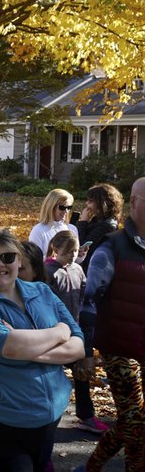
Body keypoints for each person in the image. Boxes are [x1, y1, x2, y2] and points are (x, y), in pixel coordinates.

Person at [0, 228, 84, 471]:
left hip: (45, 421)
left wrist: (30, 347)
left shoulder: (42, 291)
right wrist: (59, 333)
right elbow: (8, 347)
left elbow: (78, 346)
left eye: (8, 257)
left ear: (19, 260)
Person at [76, 177, 145, 471]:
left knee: (136, 421)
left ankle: (91, 466)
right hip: (120, 348)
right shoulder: (112, 246)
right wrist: (87, 351)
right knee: (136, 421)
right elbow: (89, 301)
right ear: (133, 202)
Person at [44, 231, 107, 436]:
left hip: (74, 332)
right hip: (54, 334)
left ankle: (86, 415)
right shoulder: (49, 271)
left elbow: (84, 295)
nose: (72, 255)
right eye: (68, 251)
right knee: (50, 376)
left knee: (81, 372)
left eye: (75, 250)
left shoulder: (78, 269)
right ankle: (46, 415)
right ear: (56, 249)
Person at [76, 183, 123, 271]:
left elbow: (81, 247)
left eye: (90, 201)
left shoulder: (107, 226)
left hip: (92, 270)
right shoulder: (97, 220)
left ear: (101, 203)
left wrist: (83, 222)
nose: (87, 204)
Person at [28, 189, 82, 258]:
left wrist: (81, 255)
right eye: (62, 207)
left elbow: (75, 260)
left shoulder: (72, 229)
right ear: (51, 207)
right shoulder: (38, 231)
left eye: (69, 207)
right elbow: (35, 261)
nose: (66, 211)